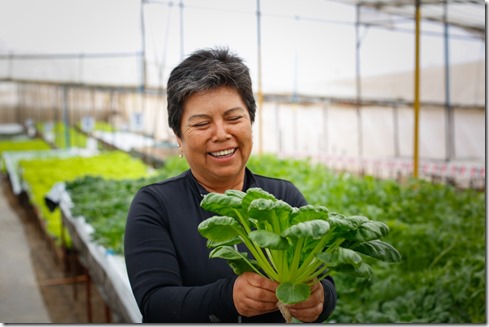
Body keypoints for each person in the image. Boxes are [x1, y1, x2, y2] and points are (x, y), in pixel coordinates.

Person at [124, 47, 337, 323]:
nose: (221, 134)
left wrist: (318, 301)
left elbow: (325, 283)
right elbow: (155, 304)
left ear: (250, 123)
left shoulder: (284, 196)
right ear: (178, 137)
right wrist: (228, 297)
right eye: (201, 124)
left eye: (234, 118)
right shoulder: (155, 205)